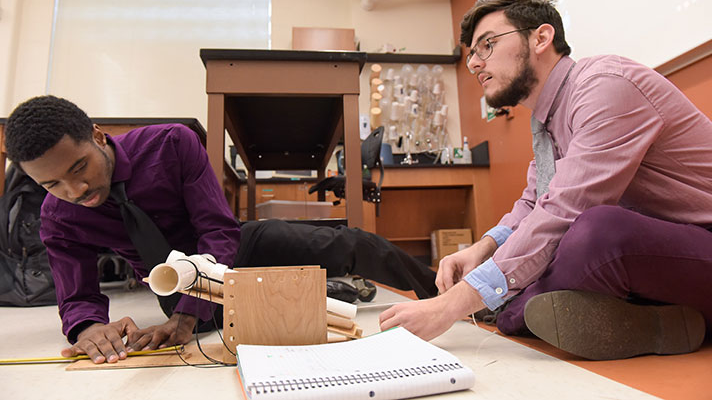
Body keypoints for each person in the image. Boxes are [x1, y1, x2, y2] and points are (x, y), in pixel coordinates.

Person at [379, 0, 712, 360]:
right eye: (472, 55)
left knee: (597, 232)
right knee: (551, 253)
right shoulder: (547, 120)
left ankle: (518, 310)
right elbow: (534, 203)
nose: (475, 64)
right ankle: (654, 321)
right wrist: (484, 247)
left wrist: (448, 307)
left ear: (541, 38)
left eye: (487, 45)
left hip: (707, 240)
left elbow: (562, 212)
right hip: (670, 254)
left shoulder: (604, 85)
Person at [4, 95, 437, 364]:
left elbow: (216, 228)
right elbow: (77, 296)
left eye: (79, 168)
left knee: (350, 243)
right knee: (243, 323)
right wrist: (85, 329)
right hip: (171, 281)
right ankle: (320, 290)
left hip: (232, 244)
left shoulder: (171, 144)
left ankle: (443, 292)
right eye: (51, 184)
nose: (75, 189)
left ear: (98, 137)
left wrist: (187, 312)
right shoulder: (58, 217)